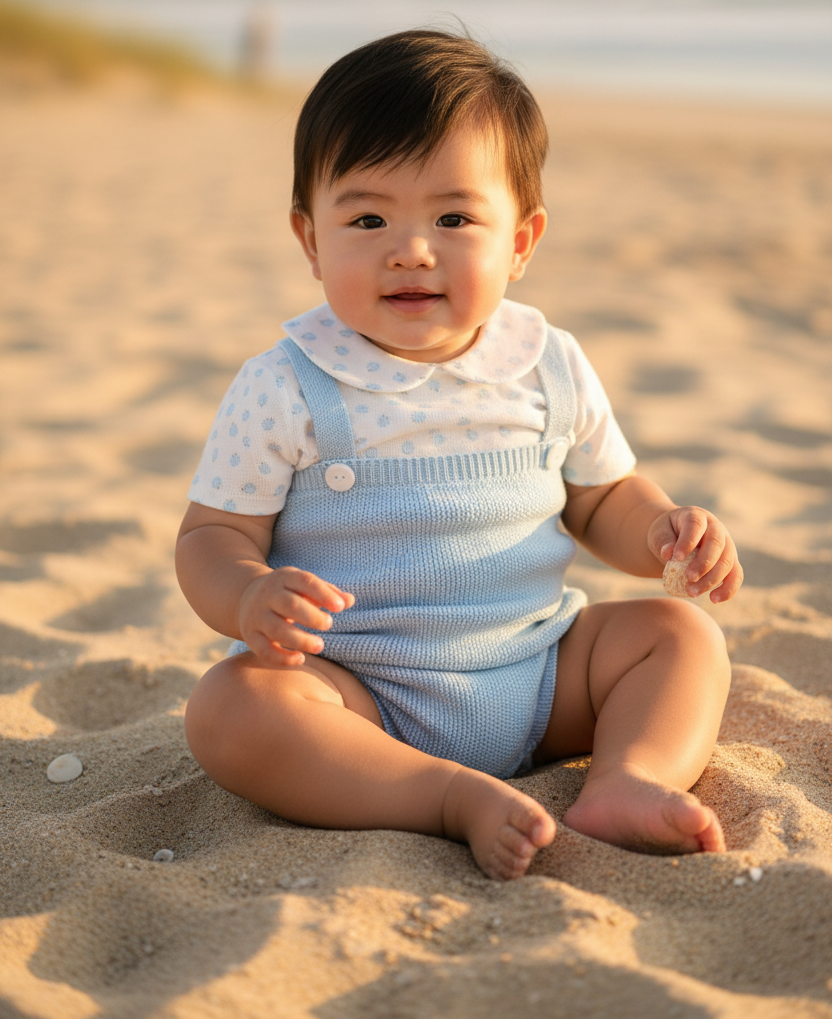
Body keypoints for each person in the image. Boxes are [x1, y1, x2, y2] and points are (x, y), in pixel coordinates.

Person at [176, 29, 742, 881]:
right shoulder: (286, 386)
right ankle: (441, 796)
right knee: (230, 709)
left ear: (520, 241)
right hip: (358, 694)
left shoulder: (549, 365)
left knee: (679, 635)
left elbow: (600, 498)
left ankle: (629, 778)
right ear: (309, 239)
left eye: (454, 218)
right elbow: (211, 536)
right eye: (367, 218)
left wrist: (663, 529)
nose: (411, 248)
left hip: (543, 674)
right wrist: (248, 594)